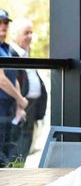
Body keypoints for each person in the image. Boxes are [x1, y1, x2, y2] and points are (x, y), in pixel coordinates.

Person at [10, 19, 48, 161]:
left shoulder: (26, 54)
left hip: (31, 109)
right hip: (18, 108)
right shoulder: (10, 54)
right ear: (15, 34)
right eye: (26, 33)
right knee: (15, 152)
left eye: (31, 32)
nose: (30, 36)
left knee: (24, 150)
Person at [0, 9, 27, 167]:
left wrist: (19, 103)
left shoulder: (7, 49)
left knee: (8, 153)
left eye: (5, 23)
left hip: (9, 110)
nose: (3, 26)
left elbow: (13, 77)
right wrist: (20, 98)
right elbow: (1, 80)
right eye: (0, 22)